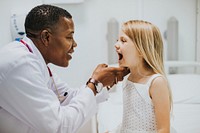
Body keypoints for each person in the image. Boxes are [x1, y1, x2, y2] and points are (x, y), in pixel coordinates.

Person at [0, 4, 129, 133]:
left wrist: (101, 83)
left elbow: (68, 97)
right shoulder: (20, 64)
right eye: (69, 37)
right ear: (46, 37)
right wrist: (95, 83)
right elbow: (59, 126)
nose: (74, 44)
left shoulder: (36, 61)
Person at [107, 20, 172, 133]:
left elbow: (163, 129)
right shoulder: (128, 79)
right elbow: (129, 122)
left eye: (123, 41)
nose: (116, 45)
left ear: (141, 49)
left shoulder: (156, 82)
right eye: (117, 40)